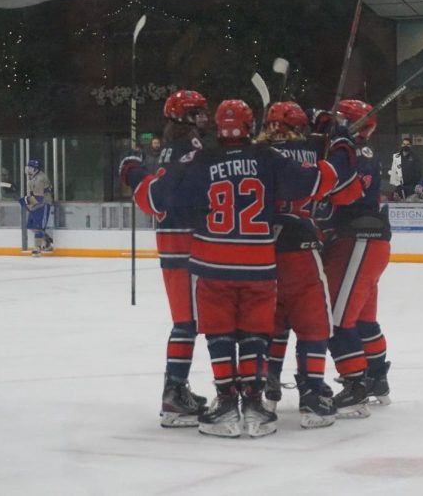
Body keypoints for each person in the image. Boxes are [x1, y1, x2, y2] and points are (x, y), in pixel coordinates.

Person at [125, 98, 337, 438]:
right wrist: (327, 160)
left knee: (220, 335)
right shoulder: (266, 158)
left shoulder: (201, 159)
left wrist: (133, 171)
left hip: (213, 263)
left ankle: (225, 404)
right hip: (258, 263)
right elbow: (310, 185)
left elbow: (161, 199)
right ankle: (254, 405)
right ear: (251, 127)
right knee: (254, 333)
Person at [257, 100, 360, 429]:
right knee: (314, 323)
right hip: (299, 246)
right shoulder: (311, 151)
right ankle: (313, 394)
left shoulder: (252, 154)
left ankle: (263, 383)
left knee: (268, 323)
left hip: (257, 252)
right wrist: (341, 139)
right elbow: (338, 177)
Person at [119, 90, 211, 428]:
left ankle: (177, 391)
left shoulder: (182, 148)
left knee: (192, 321)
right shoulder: (184, 150)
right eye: (197, 113)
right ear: (182, 117)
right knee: (189, 323)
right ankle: (174, 394)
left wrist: (133, 171)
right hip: (185, 245)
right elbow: (159, 199)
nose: (204, 118)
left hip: (183, 244)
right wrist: (135, 175)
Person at [318, 100, 393, 419]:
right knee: (362, 319)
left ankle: (356, 385)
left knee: (334, 318)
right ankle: (376, 378)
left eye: (339, 119)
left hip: (360, 240)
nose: (335, 122)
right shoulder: (355, 150)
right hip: (366, 242)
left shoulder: (358, 154)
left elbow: (339, 190)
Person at [19, 159, 54, 256]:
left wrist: (25, 201)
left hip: (43, 204)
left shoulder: (40, 178)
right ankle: (47, 242)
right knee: (31, 226)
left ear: (36, 169)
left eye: (30, 168)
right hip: (36, 204)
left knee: (38, 227)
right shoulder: (32, 178)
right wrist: (26, 201)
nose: (28, 170)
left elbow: (39, 196)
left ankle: (37, 248)